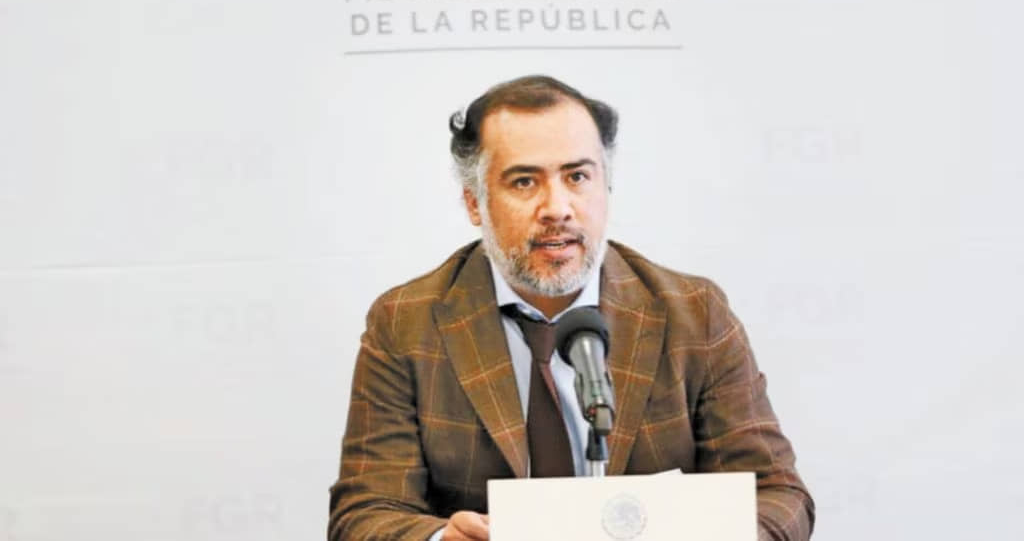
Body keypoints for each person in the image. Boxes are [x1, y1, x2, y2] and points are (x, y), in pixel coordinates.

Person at [329, 75, 814, 541]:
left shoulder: (694, 314)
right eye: (524, 182)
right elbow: (363, 514)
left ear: (607, 187)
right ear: (474, 203)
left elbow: (777, 494)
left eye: (577, 176)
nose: (557, 208)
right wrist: (441, 537)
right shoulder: (406, 323)